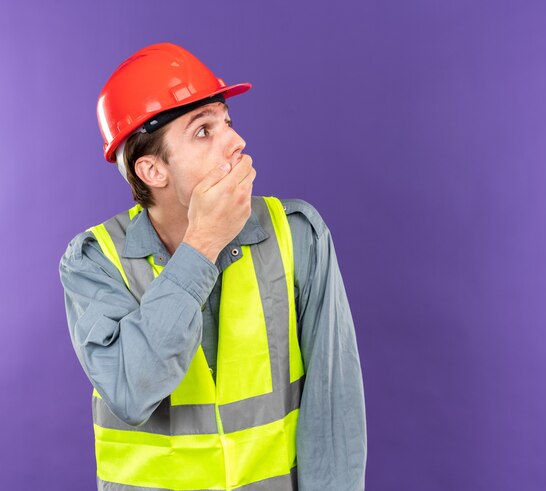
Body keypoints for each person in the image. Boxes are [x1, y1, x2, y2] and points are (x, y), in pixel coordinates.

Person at [59, 42, 366, 491]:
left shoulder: (299, 234)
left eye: (228, 121)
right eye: (204, 131)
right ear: (152, 171)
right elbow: (132, 390)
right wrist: (202, 245)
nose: (236, 141)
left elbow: (333, 414)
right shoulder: (94, 261)